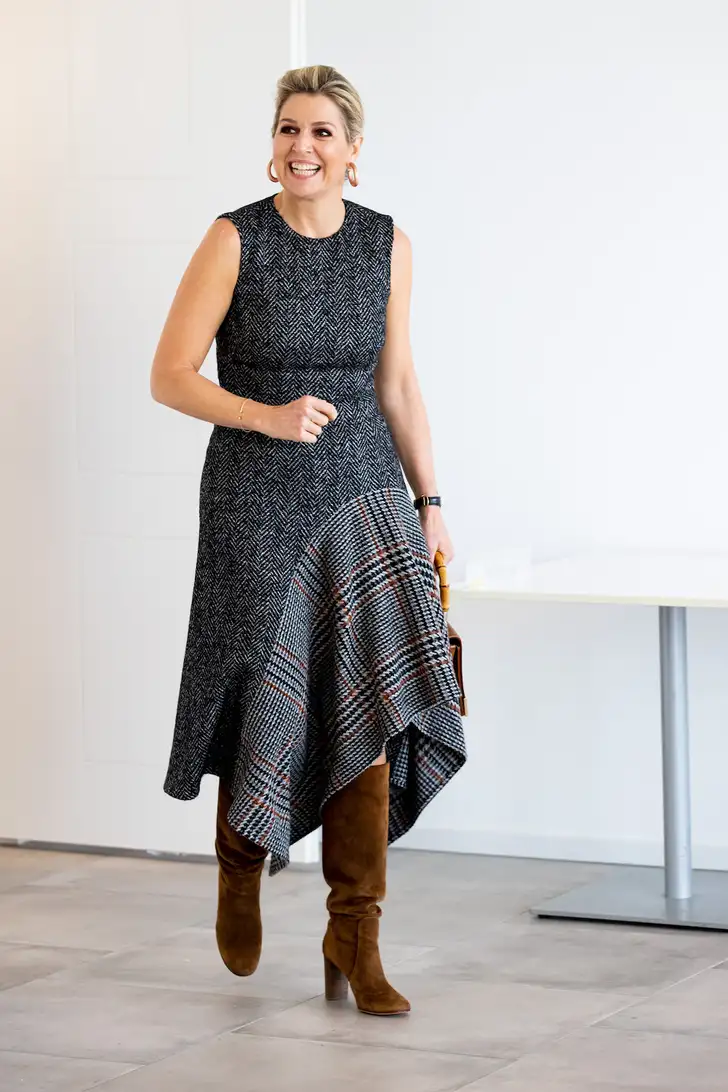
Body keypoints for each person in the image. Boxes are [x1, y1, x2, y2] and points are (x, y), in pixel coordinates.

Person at [150, 64, 467, 1017]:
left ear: (352, 151)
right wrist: (268, 416)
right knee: (263, 685)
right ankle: (240, 862)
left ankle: (354, 935)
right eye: (290, 129)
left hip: (366, 499)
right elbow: (170, 375)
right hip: (256, 498)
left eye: (323, 132)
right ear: (273, 143)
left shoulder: (387, 244)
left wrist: (431, 501)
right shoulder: (234, 237)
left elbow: (397, 383)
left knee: (371, 700)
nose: (303, 147)